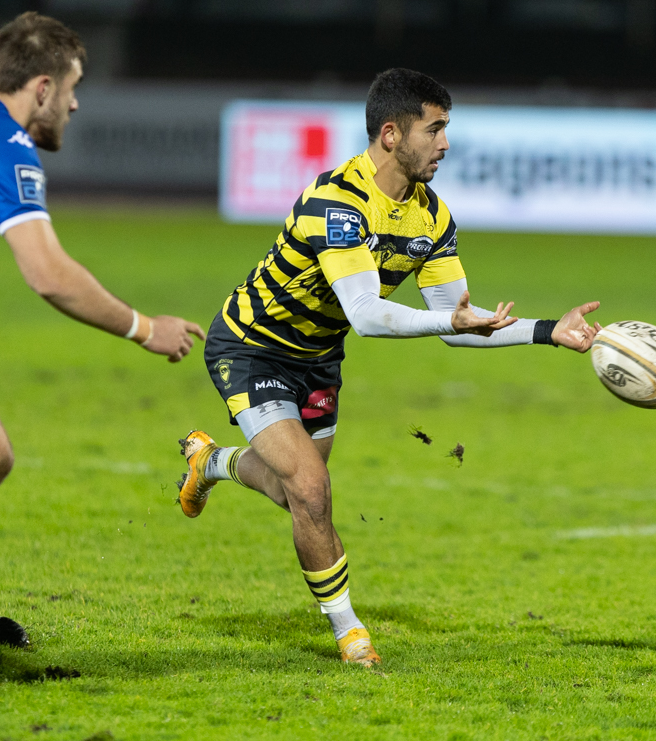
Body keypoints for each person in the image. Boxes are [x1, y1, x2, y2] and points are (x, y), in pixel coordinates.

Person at [176, 68, 601, 667]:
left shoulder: (432, 218)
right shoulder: (338, 202)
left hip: (319, 360)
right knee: (311, 489)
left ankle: (211, 462)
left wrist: (547, 331)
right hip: (253, 348)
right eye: (436, 128)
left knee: (292, 492)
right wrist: (452, 321)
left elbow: (457, 323)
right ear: (392, 134)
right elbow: (368, 315)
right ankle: (350, 633)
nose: (446, 143)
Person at [0, 13, 204, 647]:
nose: (76, 103)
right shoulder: (2, 144)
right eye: (72, 87)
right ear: (41, 88)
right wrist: (144, 327)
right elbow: (49, 274)